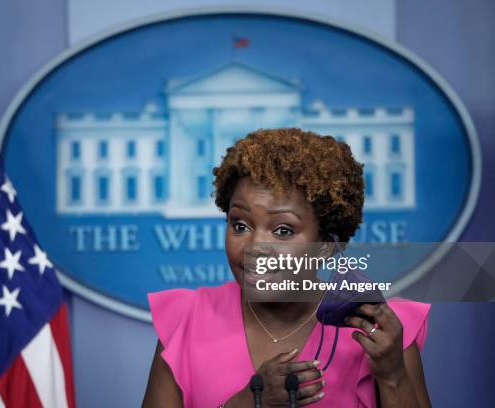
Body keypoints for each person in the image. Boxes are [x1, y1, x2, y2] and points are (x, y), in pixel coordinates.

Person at [142, 128, 431, 407]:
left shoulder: (379, 331)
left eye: (282, 231)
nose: (254, 247)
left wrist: (393, 377)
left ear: (326, 245)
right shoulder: (186, 320)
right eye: (240, 225)